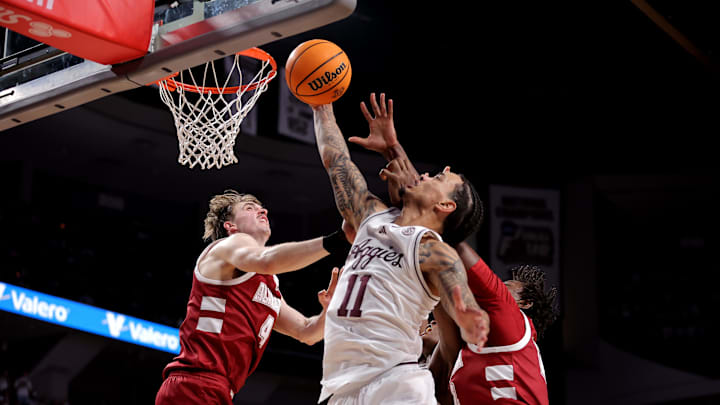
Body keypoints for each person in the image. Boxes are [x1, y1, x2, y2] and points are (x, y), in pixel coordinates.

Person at [354, 93, 559, 404]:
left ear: (524, 303)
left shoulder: (507, 315)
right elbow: (433, 246)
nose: (496, 285)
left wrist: (397, 155)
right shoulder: (465, 352)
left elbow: (448, 233)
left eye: (507, 286)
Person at [312, 98, 490, 405]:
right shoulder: (370, 215)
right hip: (338, 389)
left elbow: (459, 297)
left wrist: (469, 318)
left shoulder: (434, 251)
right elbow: (336, 160)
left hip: (395, 384)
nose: (423, 174)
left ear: (445, 206)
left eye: (436, 179)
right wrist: (321, 105)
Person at [155, 190, 349, 405]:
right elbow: (267, 260)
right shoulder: (227, 247)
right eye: (249, 208)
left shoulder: (268, 282)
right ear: (231, 226)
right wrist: (336, 241)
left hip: (217, 390)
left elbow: (307, 332)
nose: (262, 210)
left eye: (261, 207)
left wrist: (329, 309)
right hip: (195, 383)